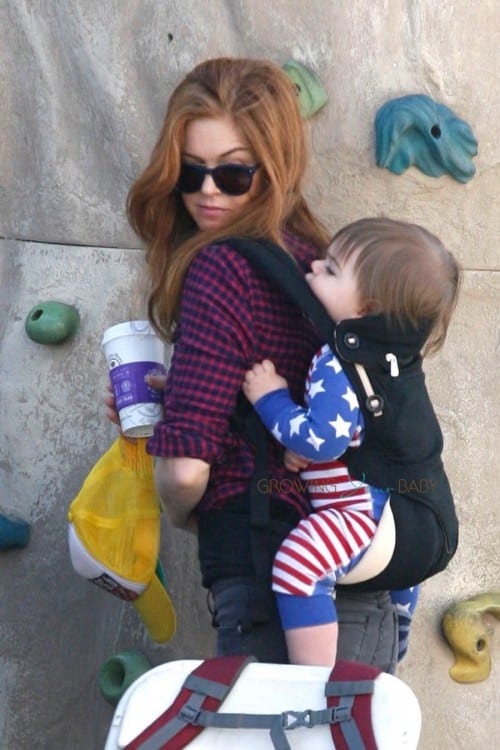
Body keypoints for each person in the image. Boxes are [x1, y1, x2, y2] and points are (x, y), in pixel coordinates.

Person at [107, 57, 401, 669]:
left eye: (233, 174)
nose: (207, 191)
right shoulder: (321, 267)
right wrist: (180, 402)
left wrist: (184, 511)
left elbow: (187, 471)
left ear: (275, 169)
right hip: (357, 579)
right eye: (190, 172)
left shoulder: (219, 268)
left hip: (275, 586)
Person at [242, 217, 460, 666]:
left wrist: (272, 402)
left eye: (333, 270)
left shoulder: (340, 361)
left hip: (363, 514)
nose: (315, 267)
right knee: (379, 575)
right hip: (409, 520)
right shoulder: (388, 363)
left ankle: (312, 684)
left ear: (366, 308)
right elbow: (353, 438)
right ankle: (397, 639)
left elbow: (325, 439)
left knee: (298, 565)